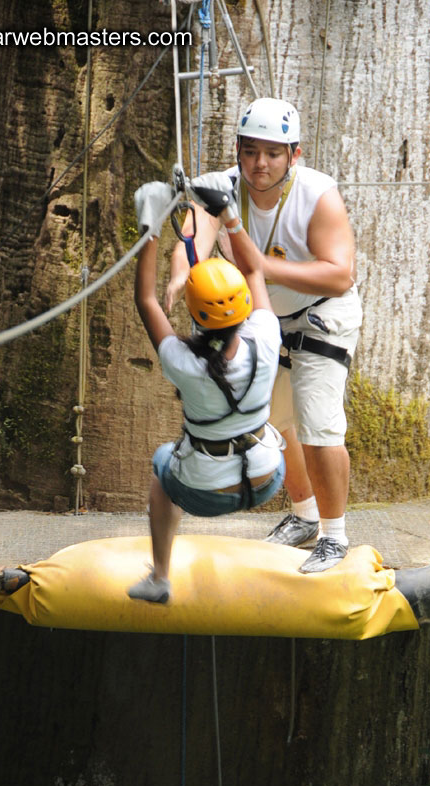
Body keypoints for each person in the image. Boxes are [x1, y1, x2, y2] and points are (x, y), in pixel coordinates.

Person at [166, 98, 362, 573]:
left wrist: (257, 265)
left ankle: (335, 536)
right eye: (250, 151)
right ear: (237, 149)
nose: (260, 164)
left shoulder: (318, 194)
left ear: (294, 155)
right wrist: (179, 276)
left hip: (321, 314)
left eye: (273, 153)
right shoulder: (221, 187)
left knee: (319, 426)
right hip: (261, 318)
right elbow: (194, 234)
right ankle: (303, 515)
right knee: (269, 421)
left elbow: (340, 275)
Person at [127, 180, 285, 604]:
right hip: (267, 479)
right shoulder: (266, 338)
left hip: (204, 491)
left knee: (163, 462)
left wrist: (152, 225)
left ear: (194, 312)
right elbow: (254, 270)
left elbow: (147, 300)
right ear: (244, 305)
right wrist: (230, 214)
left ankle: (161, 577)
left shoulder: (184, 362)